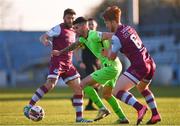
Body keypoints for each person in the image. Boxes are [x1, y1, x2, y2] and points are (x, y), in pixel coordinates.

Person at [52, 17, 129, 124]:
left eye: (76, 27)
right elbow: (74, 45)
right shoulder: (83, 38)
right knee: (107, 94)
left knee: (82, 84)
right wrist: (60, 52)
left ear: (84, 26)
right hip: (114, 65)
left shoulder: (94, 35)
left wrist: (111, 50)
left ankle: (102, 108)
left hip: (110, 66)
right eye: (73, 28)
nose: (74, 30)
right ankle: (122, 118)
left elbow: (113, 36)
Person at [23, 8, 92, 123]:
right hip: (57, 62)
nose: (71, 20)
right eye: (69, 18)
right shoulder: (59, 28)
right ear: (64, 18)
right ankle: (29, 106)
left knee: (79, 89)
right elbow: (43, 36)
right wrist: (45, 40)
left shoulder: (74, 31)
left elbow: (74, 46)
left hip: (68, 64)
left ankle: (79, 118)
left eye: (73, 18)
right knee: (50, 85)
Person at [102, 6, 161, 125]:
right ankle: (155, 114)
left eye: (107, 23)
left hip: (139, 65)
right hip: (150, 62)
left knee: (117, 91)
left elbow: (112, 57)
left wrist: (105, 52)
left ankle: (140, 108)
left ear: (113, 21)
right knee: (142, 88)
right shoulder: (129, 28)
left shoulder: (116, 37)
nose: (107, 26)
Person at [80, 18, 100, 111]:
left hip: (96, 62)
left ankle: (89, 104)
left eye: (93, 24)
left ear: (96, 26)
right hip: (88, 62)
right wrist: (80, 62)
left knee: (97, 84)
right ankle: (79, 94)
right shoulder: (84, 37)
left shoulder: (98, 36)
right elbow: (75, 50)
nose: (91, 26)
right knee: (94, 82)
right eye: (90, 24)